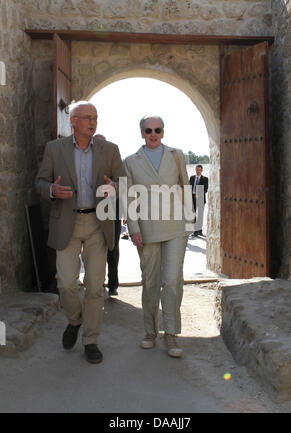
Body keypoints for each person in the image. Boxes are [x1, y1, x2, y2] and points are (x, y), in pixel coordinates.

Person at [35, 101, 124, 364]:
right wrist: (52, 190)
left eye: (95, 117)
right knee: (66, 283)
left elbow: (123, 180)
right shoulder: (54, 149)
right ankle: (74, 320)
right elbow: (40, 181)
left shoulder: (110, 150)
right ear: (73, 121)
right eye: (87, 117)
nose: (92, 121)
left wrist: (114, 187)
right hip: (66, 222)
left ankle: (91, 340)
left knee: (96, 287)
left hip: (98, 224)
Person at [123, 115, 192, 358]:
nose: (153, 134)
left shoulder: (177, 155)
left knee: (172, 280)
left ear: (163, 131)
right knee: (150, 281)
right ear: (141, 133)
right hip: (147, 228)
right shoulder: (130, 161)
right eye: (148, 130)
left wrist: (190, 222)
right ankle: (150, 331)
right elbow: (128, 197)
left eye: (158, 130)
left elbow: (185, 187)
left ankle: (171, 333)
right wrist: (133, 229)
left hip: (176, 227)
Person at [94, 134, 121, 297]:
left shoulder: (113, 161)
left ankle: (113, 284)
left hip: (113, 211)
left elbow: (122, 183)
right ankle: (97, 283)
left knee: (112, 247)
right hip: (93, 211)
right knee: (94, 248)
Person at [189, 164, 208, 237]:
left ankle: (199, 231)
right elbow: (189, 187)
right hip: (192, 198)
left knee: (200, 215)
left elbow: (205, 189)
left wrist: (198, 194)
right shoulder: (192, 178)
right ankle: (195, 231)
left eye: (199, 170)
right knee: (193, 215)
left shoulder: (205, 179)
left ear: (202, 170)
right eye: (197, 170)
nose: (198, 171)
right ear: (195, 170)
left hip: (200, 199)